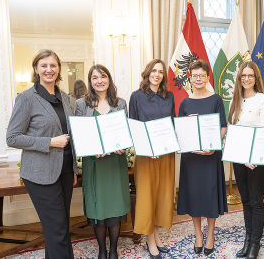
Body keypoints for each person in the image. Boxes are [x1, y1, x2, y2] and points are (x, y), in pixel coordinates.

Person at [6, 49, 78, 259]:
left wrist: (72, 168)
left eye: (53, 65)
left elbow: (70, 135)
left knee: (60, 226)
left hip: (64, 170)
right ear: (36, 69)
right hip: (39, 174)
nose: (49, 69)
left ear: (59, 69)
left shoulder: (65, 98)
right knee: (57, 230)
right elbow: (12, 138)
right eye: (44, 65)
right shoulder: (27, 98)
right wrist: (49, 142)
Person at [75, 64, 130, 259]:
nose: (99, 81)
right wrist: (91, 151)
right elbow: (79, 135)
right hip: (95, 164)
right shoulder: (82, 104)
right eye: (95, 78)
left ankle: (114, 249)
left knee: (115, 206)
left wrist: (123, 145)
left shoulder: (121, 103)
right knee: (98, 208)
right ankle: (101, 250)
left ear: (109, 79)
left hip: (115, 163)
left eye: (103, 76)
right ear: (90, 82)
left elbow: (126, 132)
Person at [177, 59, 228, 257]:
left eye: (202, 75)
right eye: (195, 75)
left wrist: (213, 146)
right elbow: (179, 130)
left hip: (210, 156)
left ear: (208, 77)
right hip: (191, 159)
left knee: (210, 196)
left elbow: (223, 126)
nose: (199, 79)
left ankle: (210, 235)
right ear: (190, 78)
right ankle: (198, 234)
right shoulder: (185, 102)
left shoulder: (216, 99)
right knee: (195, 196)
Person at [129, 59, 175, 259]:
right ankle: (149, 241)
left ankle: (156, 236)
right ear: (147, 72)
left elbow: (172, 124)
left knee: (162, 196)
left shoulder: (169, 96)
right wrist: (148, 148)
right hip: (146, 155)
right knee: (147, 197)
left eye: (161, 72)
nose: (157, 74)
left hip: (166, 154)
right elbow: (134, 128)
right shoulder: (136, 97)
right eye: (154, 71)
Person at [228, 61, 264, 259]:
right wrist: (240, 156)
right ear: (239, 79)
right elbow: (233, 132)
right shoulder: (234, 101)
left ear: (256, 78)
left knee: (256, 201)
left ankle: (255, 244)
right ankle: (248, 239)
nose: (246, 79)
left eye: (250, 75)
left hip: (257, 160)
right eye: (243, 76)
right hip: (239, 159)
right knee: (245, 200)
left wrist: (251, 156)